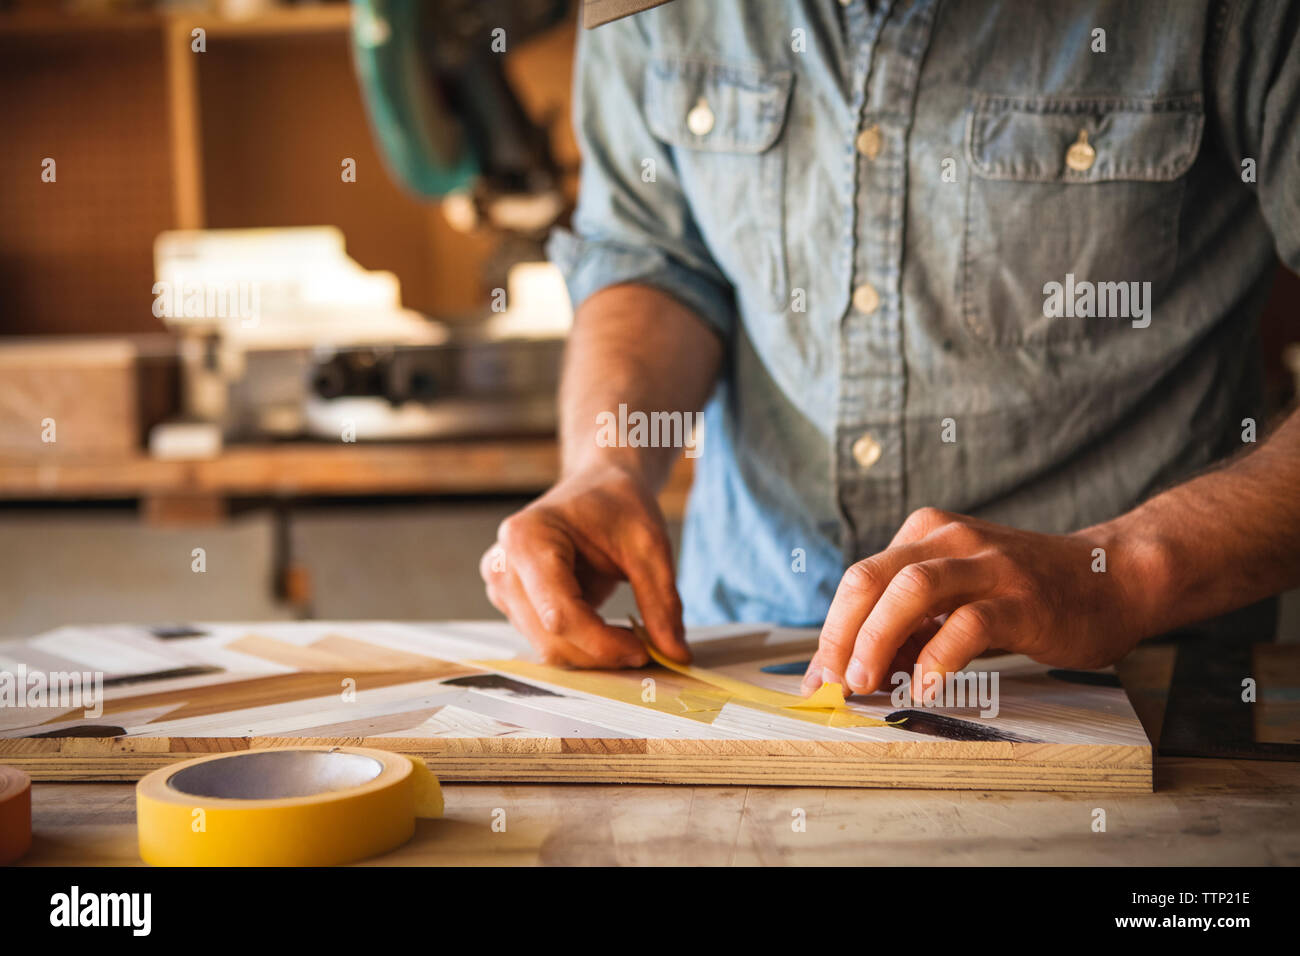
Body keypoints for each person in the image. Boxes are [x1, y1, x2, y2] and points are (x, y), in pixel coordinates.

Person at [480, 0, 1300, 701]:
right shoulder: (649, 11)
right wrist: (609, 465)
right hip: (746, 651)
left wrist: (1117, 574)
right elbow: (656, 257)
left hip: (1139, 682)